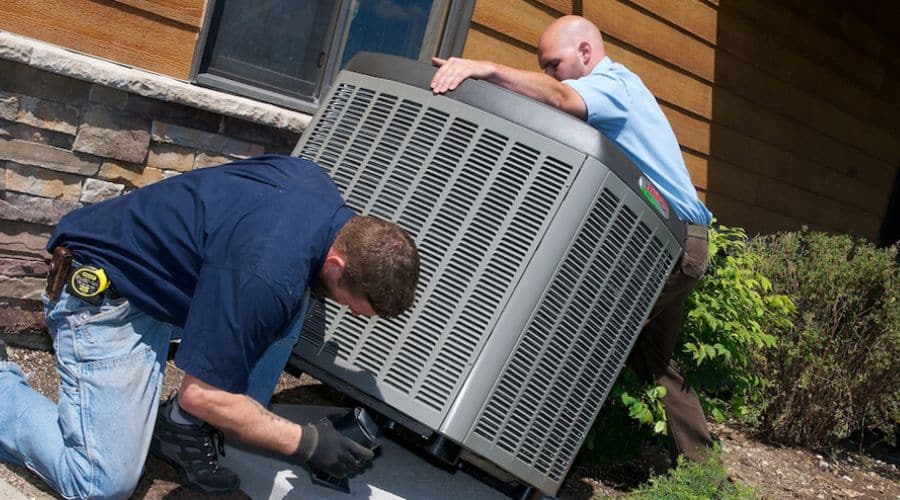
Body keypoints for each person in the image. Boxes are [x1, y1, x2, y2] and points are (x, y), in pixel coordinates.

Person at [0, 154, 420, 498]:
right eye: (353, 303)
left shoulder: (316, 187)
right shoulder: (267, 275)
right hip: (103, 296)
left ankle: (179, 427)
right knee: (99, 483)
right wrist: (306, 442)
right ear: (339, 263)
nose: (347, 310)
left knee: (291, 301)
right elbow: (202, 394)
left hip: (159, 280)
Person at [432, 15, 714, 463]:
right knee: (656, 364)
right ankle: (709, 477)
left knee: (581, 341)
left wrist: (487, 67)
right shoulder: (606, 92)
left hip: (670, 246)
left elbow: (562, 98)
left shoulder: (613, 86)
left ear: (585, 52)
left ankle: (515, 457)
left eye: (553, 64)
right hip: (680, 243)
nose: (549, 75)